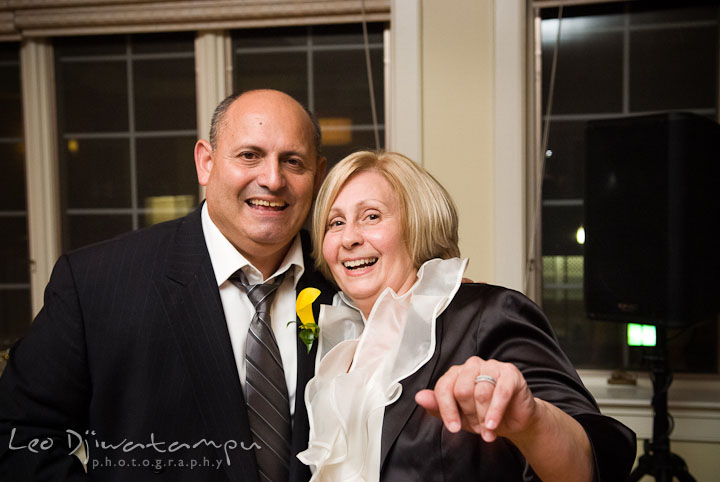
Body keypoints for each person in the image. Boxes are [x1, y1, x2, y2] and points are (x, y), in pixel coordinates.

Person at [0, 90, 336, 481]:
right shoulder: (97, 283)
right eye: (249, 156)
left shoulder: (344, 281)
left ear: (319, 176)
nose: (272, 179)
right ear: (205, 163)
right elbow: (17, 436)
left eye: (293, 162)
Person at [297, 150, 636, 481]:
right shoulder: (340, 344)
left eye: (371, 216)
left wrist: (533, 422)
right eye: (335, 222)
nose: (349, 238)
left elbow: (593, 464)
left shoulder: (488, 313)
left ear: (418, 224)